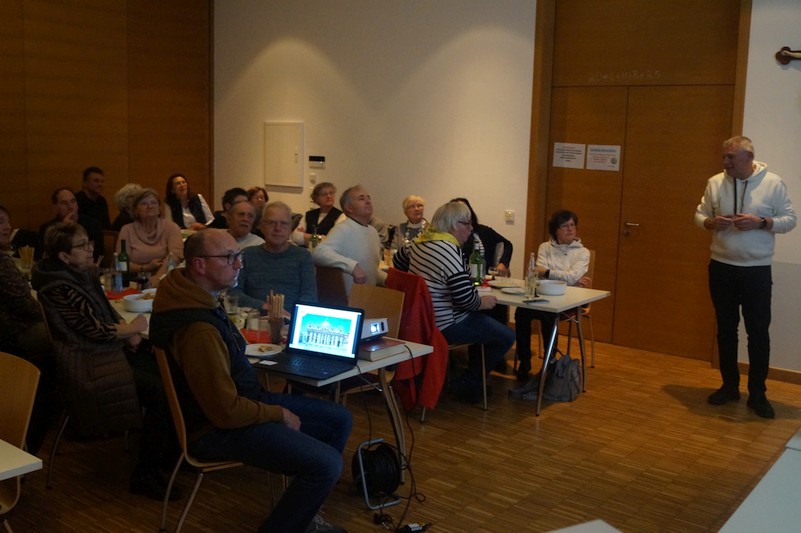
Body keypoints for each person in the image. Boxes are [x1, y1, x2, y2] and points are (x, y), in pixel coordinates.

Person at [149, 228, 351, 533]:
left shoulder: (191, 297)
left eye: (239, 256)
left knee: (340, 419)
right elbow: (225, 411)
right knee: (327, 464)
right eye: (229, 257)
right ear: (199, 264)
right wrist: (278, 414)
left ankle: (303, 512)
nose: (239, 264)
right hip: (215, 429)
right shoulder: (198, 329)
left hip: (239, 405)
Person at [31, 221, 178, 500]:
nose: (91, 249)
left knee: (171, 373)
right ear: (64, 256)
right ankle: (146, 474)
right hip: (88, 363)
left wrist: (127, 331)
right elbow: (94, 329)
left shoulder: (80, 275)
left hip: (107, 352)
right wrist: (132, 329)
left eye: (89, 242)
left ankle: (172, 454)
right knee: (161, 393)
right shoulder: (58, 287)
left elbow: (106, 312)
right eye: (82, 245)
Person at [695, 135, 797, 419]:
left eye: (730, 157)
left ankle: (758, 394)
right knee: (726, 330)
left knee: (758, 332)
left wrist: (761, 222)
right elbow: (699, 215)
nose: (724, 162)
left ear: (749, 158)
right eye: (724, 156)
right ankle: (729, 387)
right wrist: (710, 222)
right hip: (721, 267)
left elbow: (790, 220)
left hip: (757, 270)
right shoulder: (715, 182)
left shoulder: (773, 183)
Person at [393, 201, 515, 403]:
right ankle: (470, 381)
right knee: (506, 335)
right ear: (450, 224)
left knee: (485, 325)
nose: (471, 228)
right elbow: (465, 300)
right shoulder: (449, 250)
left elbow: (397, 262)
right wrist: (482, 302)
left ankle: (472, 382)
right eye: (466, 223)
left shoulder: (419, 242)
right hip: (446, 323)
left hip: (420, 320)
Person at [0, 205, 56, 454]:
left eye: (7, 221)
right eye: (0, 222)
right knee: (65, 339)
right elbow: (25, 306)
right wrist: (52, 313)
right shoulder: (2, 262)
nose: (7, 227)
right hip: (14, 335)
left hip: (9, 333)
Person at [513, 210, 590, 382]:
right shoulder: (545, 247)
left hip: (569, 299)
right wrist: (567, 277)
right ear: (556, 230)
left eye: (572, 225)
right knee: (521, 312)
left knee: (549, 315)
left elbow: (567, 276)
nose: (570, 229)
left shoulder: (583, 252)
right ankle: (524, 360)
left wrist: (548, 272)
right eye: (565, 226)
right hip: (545, 295)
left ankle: (550, 363)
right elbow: (540, 274)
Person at [229, 201, 316, 315]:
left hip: (290, 319)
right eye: (271, 223)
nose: (278, 228)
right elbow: (234, 294)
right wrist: (264, 307)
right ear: (262, 226)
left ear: (290, 228)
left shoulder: (303, 256)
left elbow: (310, 297)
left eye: (283, 223)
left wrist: (291, 316)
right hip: (254, 318)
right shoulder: (247, 255)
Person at [313, 185, 386, 296]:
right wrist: (352, 267)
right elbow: (319, 253)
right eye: (361, 198)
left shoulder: (373, 232)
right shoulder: (343, 229)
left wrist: (388, 279)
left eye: (368, 198)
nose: (368, 201)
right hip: (346, 300)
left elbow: (370, 269)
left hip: (367, 298)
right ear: (349, 208)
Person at [118, 188, 184, 287]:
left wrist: (157, 278)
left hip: (165, 279)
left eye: (153, 203)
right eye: (144, 203)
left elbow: (175, 257)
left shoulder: (172, 227)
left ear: (159, 208)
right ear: (136, 210)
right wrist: (145, 267)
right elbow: (121, 263)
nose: (150, 206)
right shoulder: (127, 230)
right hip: (134, 281)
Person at [38, 187, 104, 262]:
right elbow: (46, 257)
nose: (70, 207)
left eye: (73, 202)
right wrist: (65, 229)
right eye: (64, 203)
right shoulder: (47, 229)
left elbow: (98, 256)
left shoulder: (93, 225)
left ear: (77, 205)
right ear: (55, 208)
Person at [292, 182, 343, 246]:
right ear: (317, 198)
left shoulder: (341, 216)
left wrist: (305, 235)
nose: (329, 196)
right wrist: (320, 238)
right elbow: (295, 236)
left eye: (331, 193)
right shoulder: (309, 215)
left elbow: (331, 241)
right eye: (324, 194)